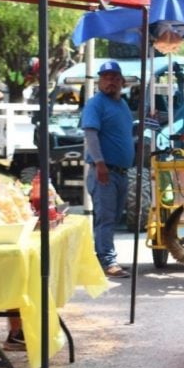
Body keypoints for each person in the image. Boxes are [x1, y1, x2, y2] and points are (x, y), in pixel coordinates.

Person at [81, 60, 133, 279]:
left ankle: (107, 257)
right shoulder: (96, 104)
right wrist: (100, 163)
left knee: (114, 218)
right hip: (104, 171)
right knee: (106, 218)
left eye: (114, 78)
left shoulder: (122, 105)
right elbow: (91, 134)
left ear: (121, 81)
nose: (110, 82)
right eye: (106, 78)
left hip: (121, 171)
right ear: (99, 81)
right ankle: (107, 261)